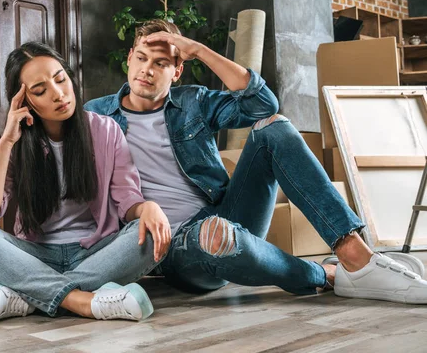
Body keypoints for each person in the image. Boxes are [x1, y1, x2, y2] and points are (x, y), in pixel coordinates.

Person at [85, 19, 427, 304]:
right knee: (214, 237)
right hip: (174, 248)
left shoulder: (193, 101)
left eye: (160, 63)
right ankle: (325, 274)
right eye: (142, 58)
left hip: (228, 212)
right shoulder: (95, 116)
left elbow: (262, 104)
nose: (147, 70)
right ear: (129, 58)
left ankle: (357, 257)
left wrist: (200, 51)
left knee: (273, 128)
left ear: (177, 71)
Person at [0, 42, 172, 322]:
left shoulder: (105, 130)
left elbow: (127, 200)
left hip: (95, 253)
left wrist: (147, 207)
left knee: (155, 231)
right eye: (41, 91)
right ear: (23, 100)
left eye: (60, 79)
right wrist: (6, 141)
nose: (58, 95)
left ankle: (30, 296)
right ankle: (83, 301)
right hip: (35, 255)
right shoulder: (17, 141)